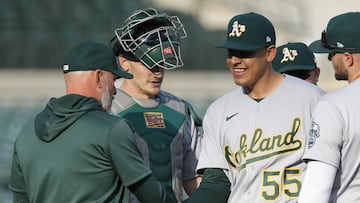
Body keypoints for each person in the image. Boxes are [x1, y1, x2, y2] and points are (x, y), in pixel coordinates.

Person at [8, 40, 179, 203]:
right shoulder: (112, 130)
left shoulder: (25, 133)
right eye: (113, 80)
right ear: (99, 78)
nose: (114, 90)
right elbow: (155, 198)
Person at [185, 12, 324, 203]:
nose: (235, 60)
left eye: (245, 53)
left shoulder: (313, 100)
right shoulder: (219, 110)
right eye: (231, 52)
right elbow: (217, 183)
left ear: (270, 53)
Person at [109, 8, 203, 202]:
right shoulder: (107, 108)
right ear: (124, 62)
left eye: (161, 64)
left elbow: (193, 178)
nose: (157, 73)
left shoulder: (179, 109)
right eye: (149, 64)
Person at [298, 12, 360, 203]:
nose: (329, 59)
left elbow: (316, 191)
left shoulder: (334, 105)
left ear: (348, 58)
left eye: (332, 53)